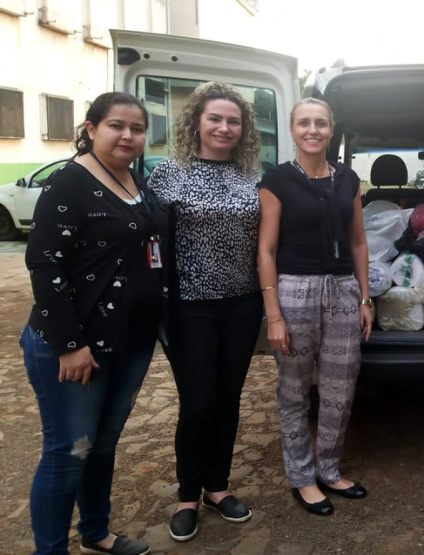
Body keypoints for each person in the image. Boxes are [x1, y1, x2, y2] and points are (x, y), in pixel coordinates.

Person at [22, 92, 164, 555]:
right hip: (77, 344)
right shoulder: (69, 182)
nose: (127, 136)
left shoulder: (133, 180)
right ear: (90, 128)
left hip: (129, 339)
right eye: (116, 126)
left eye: (137, 128)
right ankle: (51, 550)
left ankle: (96, 533)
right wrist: (68, 345)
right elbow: (45, 264)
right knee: (70, 451)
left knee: (102, 445)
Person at [146, 82, 263, 541]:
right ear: (196, 121)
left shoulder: (253, 176)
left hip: (243, 305)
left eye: (233, 121)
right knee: (198, 402)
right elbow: (151, 245)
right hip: (188, 306)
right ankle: (187, 495)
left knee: (228, 399)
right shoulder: (169, 174)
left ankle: (218, 485)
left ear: (243, 129)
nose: (224, 127)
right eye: (215, 118)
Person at [257, 98, 372, 516]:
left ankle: (329, 468)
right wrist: (274, 315)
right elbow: (266, 251)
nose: (313, 130)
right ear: (291, 129)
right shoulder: (276, 180)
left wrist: (364, 296)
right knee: (295, 389)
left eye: (320, 123)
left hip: (342, 289)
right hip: (294, 290)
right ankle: (302, 477)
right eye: (304, 122)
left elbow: (359, 242)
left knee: (341, 386)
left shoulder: (348, 180)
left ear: (331, 130)